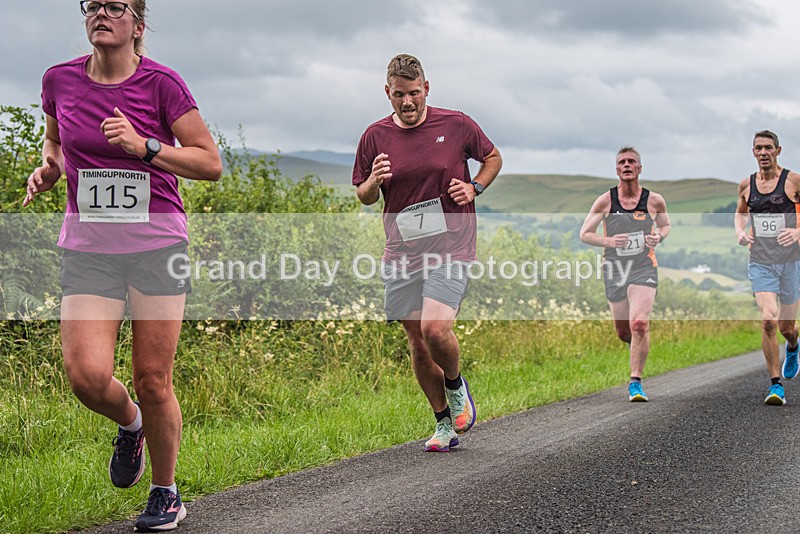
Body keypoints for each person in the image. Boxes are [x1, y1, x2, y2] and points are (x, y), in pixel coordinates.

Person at [24, 1, 222, 530]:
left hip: (158, 245)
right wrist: (48, 170)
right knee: (86, 376)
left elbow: (210, 162)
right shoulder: (59, 81)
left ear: (137, 25)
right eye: (93, 5)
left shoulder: (162, 85)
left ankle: (165, 492)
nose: (100, 13)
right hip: (89, 248)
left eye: (114, 6)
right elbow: (57, 145)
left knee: (153, 377)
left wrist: (147, 147)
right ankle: (130, 424)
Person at [353, 54, 502, 452]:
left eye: (414, 93)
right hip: (401, 251)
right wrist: (373, 180)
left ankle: (456, 385)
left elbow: (492, 158)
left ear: (426, 89)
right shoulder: (374, 137)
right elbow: (364, 197)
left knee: (435, 329)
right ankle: (442, 424)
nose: (407, 102)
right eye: (399, 95)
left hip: (452, 245)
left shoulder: (456, 124)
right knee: (418, 342)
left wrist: (475, 188)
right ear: (388, 92)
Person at [579, 147, 670, 402]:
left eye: (632, 162)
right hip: (615, 269)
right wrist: (609, 241)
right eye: (622, 162)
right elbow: (585, 234)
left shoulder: (654, 200)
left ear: (640, 168)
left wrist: (658, 237)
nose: (627, 165)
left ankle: (635, 382)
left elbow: (665, 225)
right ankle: (636, 346)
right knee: (623, 331)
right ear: (616, 169)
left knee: (639, 323)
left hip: (643, 266)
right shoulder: (606, 201)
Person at [734, 130, 800, 406]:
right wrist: (740, 231)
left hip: (790, 263)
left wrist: (798, 233)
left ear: (778, 150)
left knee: (786, 326)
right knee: (768, 319)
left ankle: (794, 345)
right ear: (753, 152)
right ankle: (776, 386)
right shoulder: (746, 185)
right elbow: (740, 213)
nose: (763, 153)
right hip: (761, 261)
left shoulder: (793, 181)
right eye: (758, 148)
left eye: (768, 148)